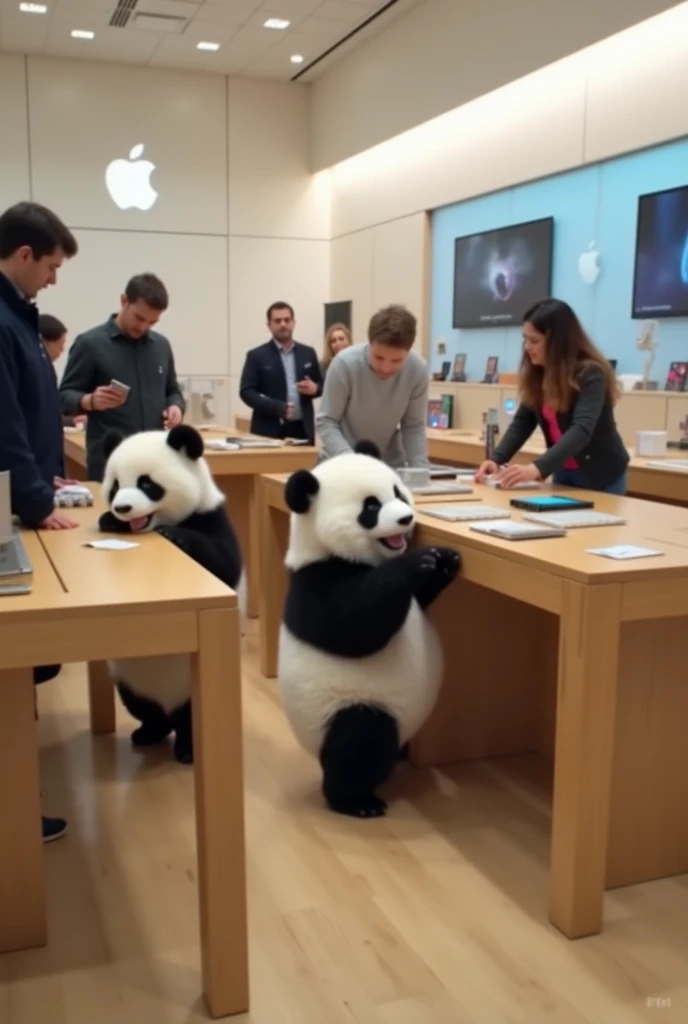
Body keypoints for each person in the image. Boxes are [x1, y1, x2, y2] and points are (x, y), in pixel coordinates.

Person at [0, 200, 80, 843]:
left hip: (26, 493)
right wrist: (36, 499)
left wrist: (45, 476)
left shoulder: (18, 316)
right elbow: (4, 428)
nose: (53, 279)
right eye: (50, 266)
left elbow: (29, 413)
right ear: (24, 256)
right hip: (13, 505)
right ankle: (12, 811)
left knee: (32, 664)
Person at [475, 298, 629, 493]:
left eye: (535, 341)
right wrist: (497, 459)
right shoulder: (539, 373)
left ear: (558, 343)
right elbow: (522, 421)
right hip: (564, 470)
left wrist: (537, 467)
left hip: (600, 474)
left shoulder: (591, 374)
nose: (527, 347)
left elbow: (581, 430)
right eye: (525, 339)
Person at [59, 273, 185, 481]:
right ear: (124, 301)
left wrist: (176, 408)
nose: (143, 327)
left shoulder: (162, 346)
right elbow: (63, 396)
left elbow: (172, 391)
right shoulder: (90, 344)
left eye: (152, 322)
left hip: (157, 458)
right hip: (111, 461)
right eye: (139, 318)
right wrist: (90, 401)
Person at [316, 303, 430, 469]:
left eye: (397, 360)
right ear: (369, 343)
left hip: (388, 465)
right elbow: (326, 420)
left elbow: (413, 426)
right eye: (378, 357)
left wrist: (421, 472)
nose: (386, 368)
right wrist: (353, 463)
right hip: (339, 463)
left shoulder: (418, 369)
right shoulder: (344, 364)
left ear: (408, 351)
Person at [239, 301, 323, 444]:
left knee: (304, 467)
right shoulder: (256, 356)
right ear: (269, 325)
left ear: (294, 323)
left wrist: (316, 389)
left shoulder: (308, 353)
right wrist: (277, 407)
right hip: (267, 430)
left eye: (287, 320)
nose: (283, 324)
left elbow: (321, 384)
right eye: (277, 321)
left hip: (302, 429)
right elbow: (246, 392)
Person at [38, 313, 86, 429]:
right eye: (60, 344)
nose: (62, 350)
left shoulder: (48, 369)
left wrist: (71, 420)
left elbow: (50, 412)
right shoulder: (38, 372)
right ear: (44, 343)